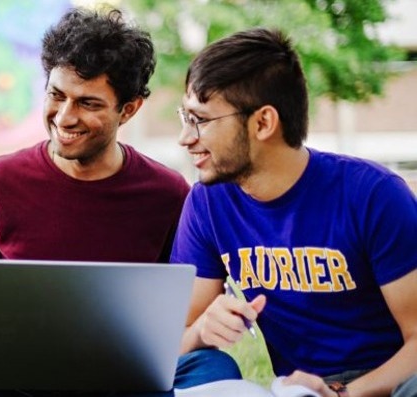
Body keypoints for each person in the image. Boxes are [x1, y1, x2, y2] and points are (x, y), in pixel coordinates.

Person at [0, 7, 242, 397]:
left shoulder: (167, 192)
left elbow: (181, 307)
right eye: (56, 95)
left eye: (88, 103)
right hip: (20, 378)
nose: (64, 116)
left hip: (123, 379)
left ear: (128, 109)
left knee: (215, 367)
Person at [172, 28, 417, 397]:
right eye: (185, 117)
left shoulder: (374, 195)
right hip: (298, 389)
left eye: (201, 120)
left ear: (263, 123)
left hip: (389, 382)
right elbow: (174, 339)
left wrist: (342, 394)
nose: (185, 137)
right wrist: (203, 329)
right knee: (202, 363)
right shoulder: (208, 202)